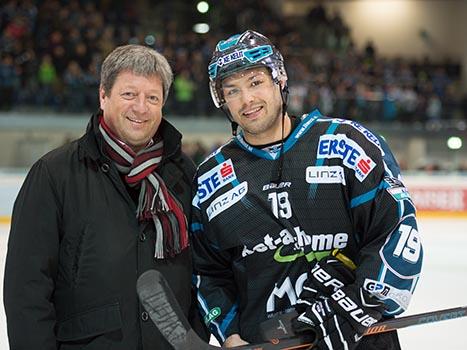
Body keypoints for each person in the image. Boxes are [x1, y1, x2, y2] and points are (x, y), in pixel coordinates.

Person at [190, 30, 422, 349]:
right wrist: (230, 332)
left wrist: (357, 307)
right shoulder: (211, 178)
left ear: (279, 78)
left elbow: (396, 231)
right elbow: (207, 272)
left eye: (255, 82)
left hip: (357, 340)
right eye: (232, 91)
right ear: (222, 100)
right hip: (269, 343)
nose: (247, 100)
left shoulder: (346, 145)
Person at [4, 44, 204, 349]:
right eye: (129, 94)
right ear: (103, 95)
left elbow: (202, 272)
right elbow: (27, 290)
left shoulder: (182, 173)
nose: (141, 107)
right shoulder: (54, 173)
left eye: (152, 97)